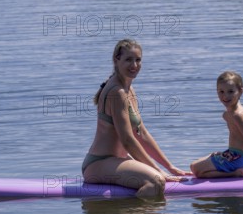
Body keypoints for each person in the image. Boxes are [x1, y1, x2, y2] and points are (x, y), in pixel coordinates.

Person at [82, 39, 191, 197]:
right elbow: (127, 140)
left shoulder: (129, 89)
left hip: (117, 160)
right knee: (156, 181)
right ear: (116, 60)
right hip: (99, 163)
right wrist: (158, 171)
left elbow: (142, 134)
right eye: (128, 60)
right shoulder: (116, 92)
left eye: (138, 60)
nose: (134, 65)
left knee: (157, 177)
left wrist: (170, 167)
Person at [190, 71, 243, 178]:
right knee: (199, 162)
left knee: (195, 169)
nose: (225, 96)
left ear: (240, 91)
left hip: (238, 158)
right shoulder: (229, 114)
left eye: (231, 91)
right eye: (221, 91)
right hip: (235, 155)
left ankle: (235, 173)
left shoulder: (238, 115)